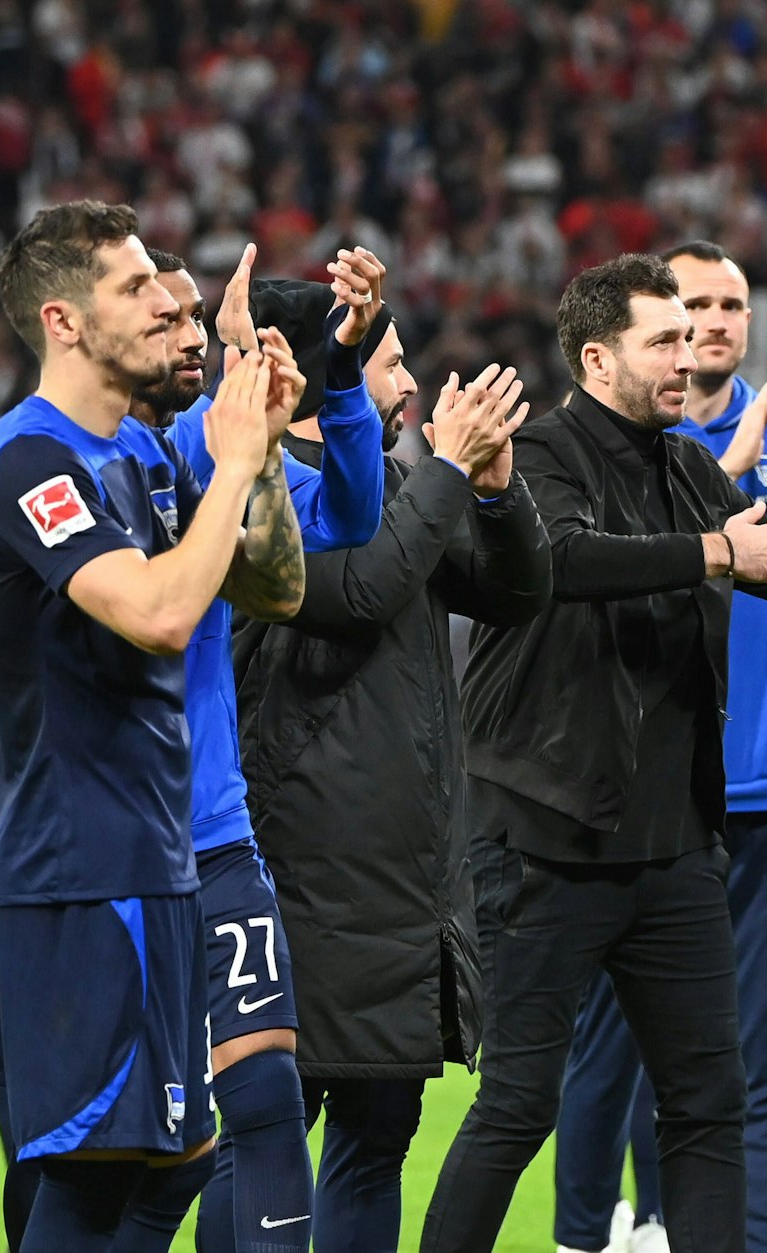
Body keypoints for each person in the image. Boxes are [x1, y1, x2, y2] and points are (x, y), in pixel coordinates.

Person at [421, 253, 767, 1253]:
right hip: (543, 840)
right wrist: (719, 550)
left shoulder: (681, 468)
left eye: (691, 336)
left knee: (709, 1103)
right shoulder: (536, 455)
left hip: (673, 849)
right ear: (596, 356)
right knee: (517, 1105)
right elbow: (561, 562)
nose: (690, 356)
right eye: (663, 341)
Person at [0, 200, 289, 1252]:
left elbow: (275, 585)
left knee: (175, 1153)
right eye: (136, 287)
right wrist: (229, 464)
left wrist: (263, 450)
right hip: (78, 861)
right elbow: (157, 612)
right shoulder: (22, 461)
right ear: (62, 319)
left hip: (156, 851)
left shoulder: (136, 457)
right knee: (101, 1164)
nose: (165, 304)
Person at [551, 239, 767, 1253]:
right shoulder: (638, 441)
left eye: (730, 306)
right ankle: (585, 1233)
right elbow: (604, 557)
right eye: (692, 309)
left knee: (761, 1052)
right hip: (645, 787)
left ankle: (720, 1235)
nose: (716, 325)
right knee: (607, 1045)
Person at [232, 322, 551, 1250]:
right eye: (392, 363)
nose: (413, 384)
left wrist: (494, 494)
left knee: (378, 1143)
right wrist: (449, 470)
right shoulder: (264, 492)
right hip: (301, 872)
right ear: (321, 383)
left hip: (407, 881)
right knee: (261, 1140)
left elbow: (517, 596)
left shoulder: (407, 484)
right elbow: (359, 593)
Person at [119, 244, 390, 1253]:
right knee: (123, 1147)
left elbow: (352, 515)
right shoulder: (59, 462)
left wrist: (336, 372)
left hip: (217, 836)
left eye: (198, 317)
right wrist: (240, 388)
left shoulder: (209, 454)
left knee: (266, 1098)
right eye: (165, 317)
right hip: (95, 853)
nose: (188, 335)